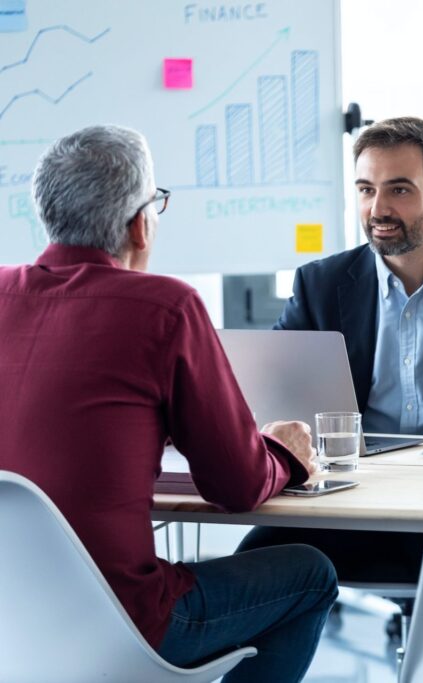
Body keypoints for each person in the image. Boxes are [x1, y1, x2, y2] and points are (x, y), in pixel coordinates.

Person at [0, 125, 338, 683]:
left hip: (12, 627)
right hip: (126, 625)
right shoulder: (164, 307)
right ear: (140, 222)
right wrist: (284, 450)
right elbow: (237, 486)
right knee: (310, 575)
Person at [238, 116, 423, 585]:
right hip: (346, 497)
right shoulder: (320, 284)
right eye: (364, 189)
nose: (377, 208)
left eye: (398, 190)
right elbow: (272, 395)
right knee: (249, 572)